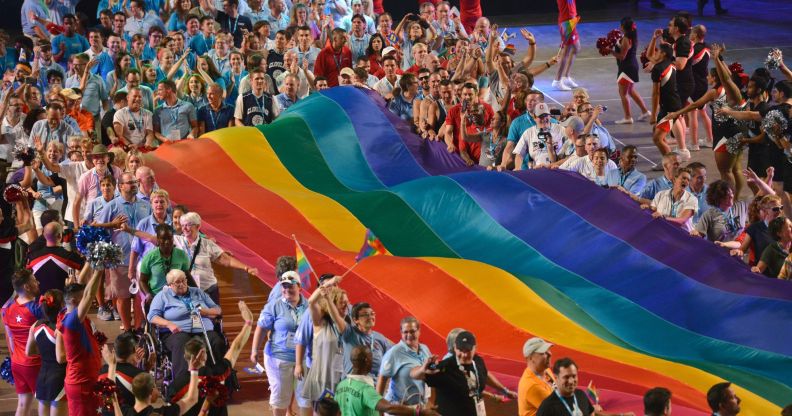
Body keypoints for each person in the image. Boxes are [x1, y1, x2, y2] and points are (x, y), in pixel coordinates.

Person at [166, 300, 254, 416]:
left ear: (185, 356)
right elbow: (236, 347)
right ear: (204, 354)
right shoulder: (219, 372)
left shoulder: (175, 386)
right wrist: (248, 322)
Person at [96, 171, 152, 330]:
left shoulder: (145, 205)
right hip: (120, 259)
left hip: (143, 259)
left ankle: (139, 328)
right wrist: (111, 224)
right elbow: (95, 227)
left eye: (135, 181)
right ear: (120, 186)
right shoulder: (112, 206)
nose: (134, 184)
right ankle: (128, 329)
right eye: (130, 182)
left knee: (140, 296)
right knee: (123, 297)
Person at [147, 269, 225, 378]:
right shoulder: (162, 296)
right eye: (177, 282)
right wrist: (169, 324)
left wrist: (205, 312)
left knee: (217, 341)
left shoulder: (197, 292)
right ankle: (183, 381)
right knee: (183, 343)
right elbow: (152, 317)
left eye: (184, 280)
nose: (182, 284)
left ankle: (219, 378)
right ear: (170, 285)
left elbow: (217, 309)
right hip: (178, 332)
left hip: (203, 330)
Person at [251, 273, 310, 416]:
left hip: (302, 359)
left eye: (290, 286)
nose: (286, 289)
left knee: (306, 398)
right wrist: (254, 350)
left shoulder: (308, 305)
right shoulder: (274, 306)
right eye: (284, 286)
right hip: (278, 358)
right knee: (281, 397)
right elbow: (262, 327)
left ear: (299, 287)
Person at [175, 211, 257, 304]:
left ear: (197, 226)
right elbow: (157, 240)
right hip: (187, 291)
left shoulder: (207, 244)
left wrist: (246, 268)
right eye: (183, 225)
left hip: (208, 291)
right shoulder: (177, 241)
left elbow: (226, 260)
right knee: (193, 317)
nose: (184, 228)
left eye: (188, 225)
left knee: (213, 316)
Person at [336, 345, 439, 416]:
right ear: (367, 361)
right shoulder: (365, 390)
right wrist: (420, 412)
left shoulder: (341, 385)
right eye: (371, 357)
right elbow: (389, 408)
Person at [56, 268, 104, 416]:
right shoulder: (72, 321)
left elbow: (87, 290)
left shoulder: (67, 312)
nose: (89, 302)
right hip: (81, 383)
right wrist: (100, 269)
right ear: (74, 301)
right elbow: (89, 294)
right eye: (82, 299)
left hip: (87, 379)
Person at [412, 330, 487, 416]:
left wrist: (502, 390)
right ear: (455, 348)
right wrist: (422, 369)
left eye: (468, 350)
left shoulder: (478, 362)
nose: (464, 354)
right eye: (461, 350)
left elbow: (480, 381)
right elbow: (413, 375)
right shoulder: (445, 367)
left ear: (475, 348)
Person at [2, 270, 44, 416]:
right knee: (44, 402)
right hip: (34, 363)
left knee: (22, 403)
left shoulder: (7, 309)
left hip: (17, 362)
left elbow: (10, 339)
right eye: (34, 280)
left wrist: (14, 357)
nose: (37, 282)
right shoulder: (37, 309)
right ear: (27, 286)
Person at [300, 285, 348, 405]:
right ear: (331, 303)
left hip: (340, 378)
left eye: (347, 302)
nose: (346, 306)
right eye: (342, 302)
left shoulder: (347, 324)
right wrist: (325, 289)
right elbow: (311, 302)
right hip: (321, 377)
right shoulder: (320, 323)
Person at [25, 289, 67, 416]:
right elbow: (61, 357)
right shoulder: (61, 328)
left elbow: (29, 351)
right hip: (59, 377)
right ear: (61, 307)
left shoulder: (35, 326)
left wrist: (45, 351)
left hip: (42, 376)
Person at [536, 357, 627, 416]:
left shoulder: (581, 395)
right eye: (566, 377)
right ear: (556, 377)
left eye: (574, 376)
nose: (571, 381)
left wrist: (621, 415)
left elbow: (593, 413)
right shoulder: (547, 407)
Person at [376, 316, 431, 406]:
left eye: (412, 331)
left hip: (419, 406)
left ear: (419, 331)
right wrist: (379, 409)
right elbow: (382, 379)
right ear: (401, 333)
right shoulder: (394, 352)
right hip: (399, 408)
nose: (409, 335)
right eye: (405, 332)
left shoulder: (425, 349)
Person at [25, 221, 85, 293]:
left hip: (40, 300)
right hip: (63, 299)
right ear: (60, 236)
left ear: (44, 235)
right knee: (72, 271)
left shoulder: (33, 257)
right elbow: (85, 268)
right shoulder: (70, 256)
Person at [611, 17, 650, 124]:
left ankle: (628, 117)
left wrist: (610, 51)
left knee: (622, 93)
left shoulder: (626, 39)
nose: (619, 27)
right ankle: (645, 111)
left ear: (623, 27)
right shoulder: (629, 36)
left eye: (621, 25)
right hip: (630, 66)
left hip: (626, 68)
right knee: (630, 91)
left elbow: (622, 56)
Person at [341, 302, 393, 378]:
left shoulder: (380, 338)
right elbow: (336, 317)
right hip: (351, 385)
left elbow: (391, 359)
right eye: (365, 315)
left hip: (372, 386)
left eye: (372, 314)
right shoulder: (350, 333)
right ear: (356, 320)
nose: (370, 317)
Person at [513, 102, 564, 170]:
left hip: (558, 169)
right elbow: (519, 154)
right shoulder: (528, 133)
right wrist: (517, 168)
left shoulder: (560, 129)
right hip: (537, 171)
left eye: (546, 115)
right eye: (540, 116)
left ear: (550, 116)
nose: (544, 119)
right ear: (534, 117)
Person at [518, 337, 554, 416]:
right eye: (543, 352)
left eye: (548, 350)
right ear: (531, 358)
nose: (550, 354)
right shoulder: (533, 386)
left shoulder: (545, 371)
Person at [552, 0, 580, 91]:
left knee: (576, 48)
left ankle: (566, 77)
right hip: (567, 22)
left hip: (571, 19)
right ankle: (557, 81)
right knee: (566, 51)